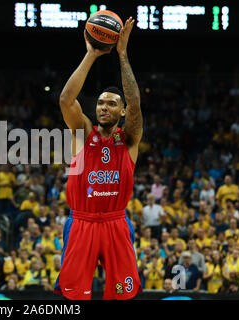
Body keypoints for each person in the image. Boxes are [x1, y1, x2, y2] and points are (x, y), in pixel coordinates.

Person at [54, 17, 143, 300]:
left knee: (122, 293)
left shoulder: (128, 140)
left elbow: (136, 104)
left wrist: (123, 56)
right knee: (74, 296)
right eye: (101, 102)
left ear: (122, 112)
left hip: (116, 222)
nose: (104, 107)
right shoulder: (82, 132)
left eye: (112, 104)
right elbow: (66, 100)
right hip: (82, 222)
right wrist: (91, 54)